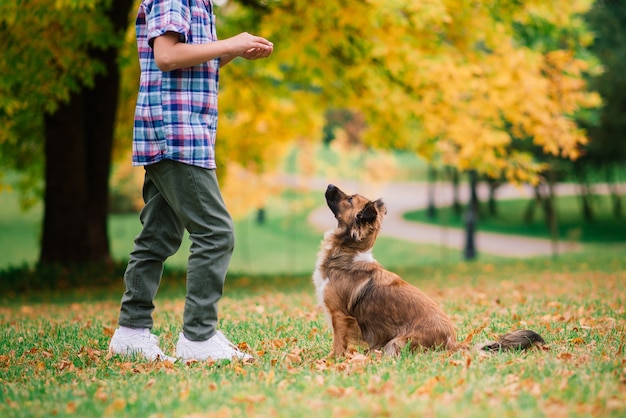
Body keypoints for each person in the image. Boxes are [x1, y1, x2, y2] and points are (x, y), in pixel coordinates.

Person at [108, 0, 273, 362]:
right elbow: (166, 56)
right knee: (216, 233)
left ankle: (131, 332)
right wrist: (232, 42)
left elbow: (190, 61)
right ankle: (198, 337)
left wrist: (236, 51)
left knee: (158, 235)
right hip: (177, 132)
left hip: (179, 131)